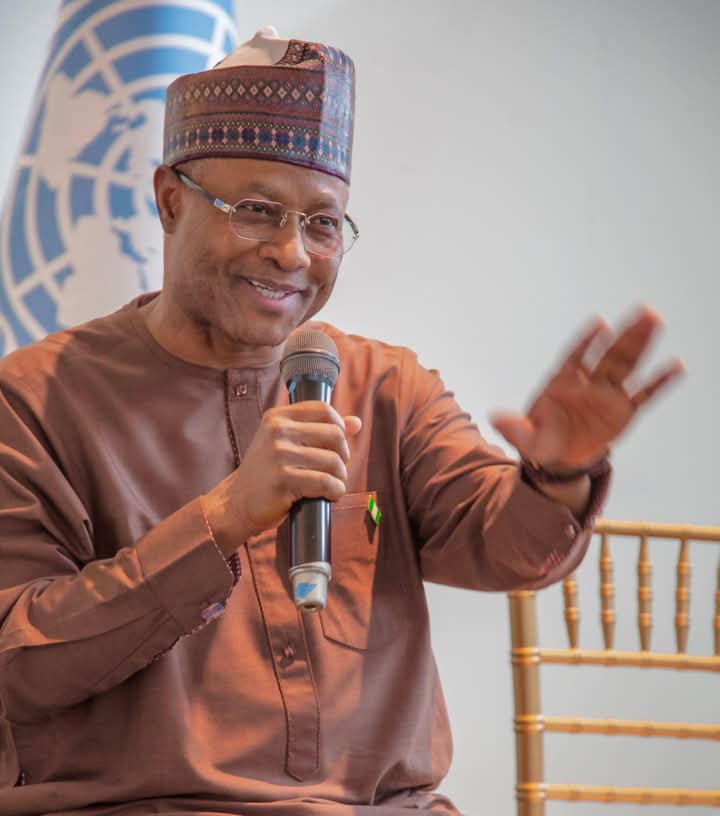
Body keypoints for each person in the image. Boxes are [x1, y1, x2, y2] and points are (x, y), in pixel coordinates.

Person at [0, 28, 683, 816]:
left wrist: (558, 475)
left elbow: (508, 546)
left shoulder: (386, 386)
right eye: (256, 211)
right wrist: (222, 519)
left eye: (323, 224)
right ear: (170, 201)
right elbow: (19, 665)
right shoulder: (34, 400)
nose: (292, 253)